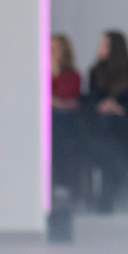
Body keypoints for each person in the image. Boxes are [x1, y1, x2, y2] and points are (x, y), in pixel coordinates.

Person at [85, 31, 128, 212]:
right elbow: (91, 100)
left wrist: (119, 108)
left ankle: (107, 196)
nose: (99, 48)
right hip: (102, 128)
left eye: (104, 45)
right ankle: (112, 190)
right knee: (108, 140)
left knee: (112, 140)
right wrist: (103, 106)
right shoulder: (96, 72)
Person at [50, 33, 81, 192]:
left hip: (66, 123)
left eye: (55, 49)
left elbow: (67, 98)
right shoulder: (38, 74)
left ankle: (61, 184)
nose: (51, 53)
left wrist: (54, 73)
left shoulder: (72, 75)